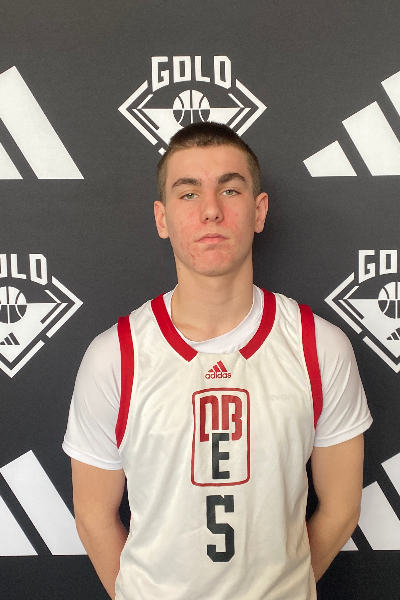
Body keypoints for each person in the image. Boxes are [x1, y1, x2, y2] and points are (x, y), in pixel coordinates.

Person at [63, 122, 372, 600]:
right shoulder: (115, 357)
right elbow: (93, 516)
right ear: (162, 218)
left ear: (259, 210)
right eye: (188, 194)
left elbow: (342, 508)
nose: (210, 209)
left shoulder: (320, 346)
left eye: (230, 189)